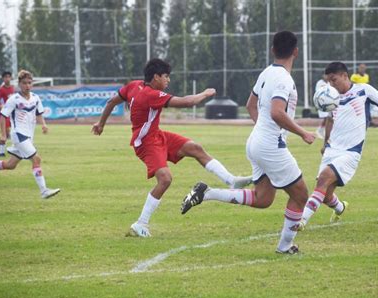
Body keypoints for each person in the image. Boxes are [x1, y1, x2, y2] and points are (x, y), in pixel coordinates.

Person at [180, 31, 316, 255]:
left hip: (256, 141)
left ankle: (208, 193)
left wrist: (262, 131)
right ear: (296, 52)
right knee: (300, 195)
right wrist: (303, 133)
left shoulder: (266, 73)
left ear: (272, 50)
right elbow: (277, 112)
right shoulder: (284, 79)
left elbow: (250, 105)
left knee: (263, 199)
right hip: (270, 145)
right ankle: (285, 247)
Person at [91, 58, 251, 238]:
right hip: (146, 143)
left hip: (157, 135)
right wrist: (205, 94)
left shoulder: (134, 86)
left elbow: (111, 101)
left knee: (195, 148)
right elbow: (187, 102)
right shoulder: (151, 95)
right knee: (165, 179)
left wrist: (101, 123)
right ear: (156, 77)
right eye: (166, 76)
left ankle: (231, 180)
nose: (168, 80)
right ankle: (141, 224)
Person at [298, 62, 378, 231]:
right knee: (325, 195)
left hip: (351, 151)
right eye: (329, 82)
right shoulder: (333, 96)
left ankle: (301, 221)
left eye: (334, 80)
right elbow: (331, 119)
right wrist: (325, 144)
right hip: (332, 149)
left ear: (345, 76)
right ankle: (341, 207)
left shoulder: (364, 90)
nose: (331, 85)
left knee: (323, 180)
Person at [0, 70, 60, 199]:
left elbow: (39, 113)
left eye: (29, 83)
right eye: (24, 83)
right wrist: (3, 134)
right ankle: (44, 191)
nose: (27, 85)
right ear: (19, 84)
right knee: (36, 159)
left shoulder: (35, 98)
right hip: (18, 135)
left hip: (28, 137)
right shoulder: (14, 99)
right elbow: (3, 116)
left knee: (10, 165)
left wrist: (43, 124)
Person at [0, 71, 15, 156]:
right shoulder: (1, 89)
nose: (7, 78)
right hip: (4, 114)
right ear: (3, 78)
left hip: (11, 114)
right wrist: (1, 106)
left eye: (9, 77)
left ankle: (0, 141)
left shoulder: (13, 88)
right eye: (5, 77)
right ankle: (1, 152)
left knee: (9, 134)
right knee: (5, 133)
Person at [315, 73, 330, 139]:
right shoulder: (320, 83)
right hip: (321, 102)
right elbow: (318, 92)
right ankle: (320, 131)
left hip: (328, 102)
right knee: (326, 117)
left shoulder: (329, 83)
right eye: (325, 75)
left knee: (328, 117)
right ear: (323, 76)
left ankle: (321, 130)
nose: (326, 77)